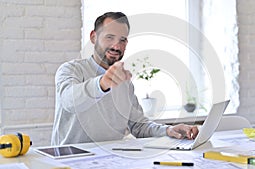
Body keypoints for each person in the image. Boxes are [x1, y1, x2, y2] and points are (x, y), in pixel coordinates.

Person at [51, 12, 199, 145]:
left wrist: (168, 131)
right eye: (109, 37)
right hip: (70, 159)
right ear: (93, 37)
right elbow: (69, 101)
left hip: (110, 159)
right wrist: (101, 84)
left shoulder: (125, 82)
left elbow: (139, 126)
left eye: (122, 40)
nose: (116, 46)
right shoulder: (71, 69)